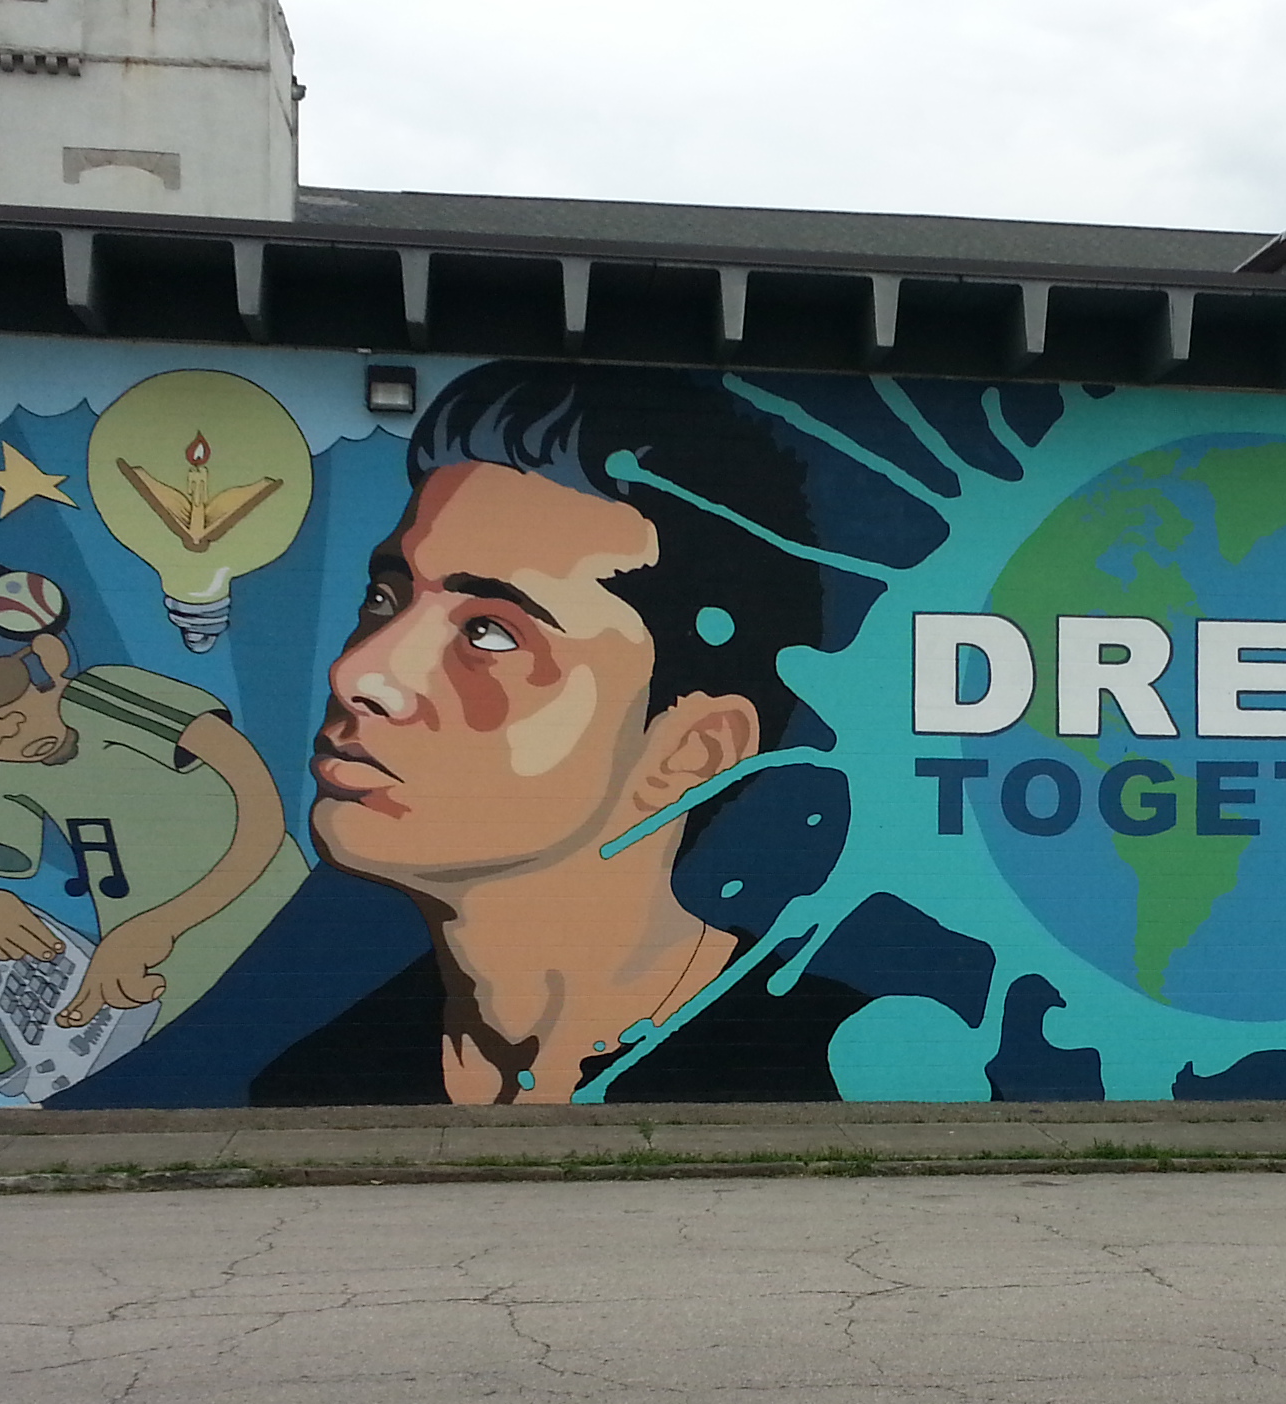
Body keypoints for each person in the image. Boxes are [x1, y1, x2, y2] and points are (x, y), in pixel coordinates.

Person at [82, 362, 858, 1108]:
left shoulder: (830, 1061)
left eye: (490, 632)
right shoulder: (325, 1077)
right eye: (386, 599)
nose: (360, 673)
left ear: (689, 753)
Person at [0, 562, 305, 1036]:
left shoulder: (109, 696)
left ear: (49, 654)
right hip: (155, 979)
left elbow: (262, 806)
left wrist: (162, 925)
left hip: (279, 924)